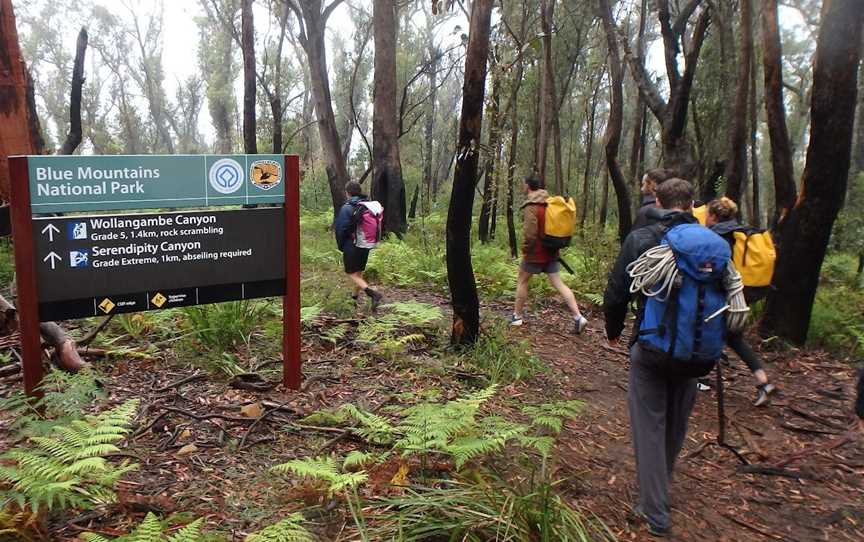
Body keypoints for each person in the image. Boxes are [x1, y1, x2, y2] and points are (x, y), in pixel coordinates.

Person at [603, 178, 706, 537]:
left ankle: (655, 513)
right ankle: (660, 488)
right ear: (692, 204)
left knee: (650, 426)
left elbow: (616, 291)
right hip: (696, 352)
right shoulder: (713, 245)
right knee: (676, 423)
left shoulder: (642, 238)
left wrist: (613, 329)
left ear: (658, 201)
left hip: (649, 348)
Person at [705, 197, 777, 406]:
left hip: (724, 294)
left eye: (708, 214)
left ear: (714, 216)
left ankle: (698, 377)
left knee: (706, 327)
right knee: (734, 338)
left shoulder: (718, 235)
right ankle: (763, 381)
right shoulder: (743, 232)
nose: (706, 218)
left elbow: (715, 268)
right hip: (745, 293)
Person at [510, 174, 588, 334]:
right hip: (552, 251)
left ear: (527, 186)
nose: (522, 186)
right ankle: (578, 317)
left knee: (522, 281)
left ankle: (516, 317)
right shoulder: (550, 203)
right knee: (559, 283)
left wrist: (526, 249)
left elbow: (530, 234)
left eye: (523, 183)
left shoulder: (532, 205)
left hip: (535, 253)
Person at [334, 181, 383, 311]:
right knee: (359, 273)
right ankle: (353, 299)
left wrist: (341, 245)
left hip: (352, 245)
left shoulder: (347, 207)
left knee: (351, 273)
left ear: (348, 192)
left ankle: (373, 294)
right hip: (365, 244)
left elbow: (341, 229)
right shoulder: (368, 206)